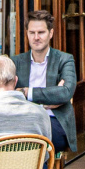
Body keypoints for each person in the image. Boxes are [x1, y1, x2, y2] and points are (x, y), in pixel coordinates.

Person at [14, 10, 78, 153]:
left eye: (41, 32)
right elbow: (9, 93)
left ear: (51, 33)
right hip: (24, 120)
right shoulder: (16, 62)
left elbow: (65, 92)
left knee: (38, 141)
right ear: (27, 34)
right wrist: (50, 97)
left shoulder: (64, 59)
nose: (36, 37)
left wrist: (26, 92)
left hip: (54, 121)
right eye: (32, 33)